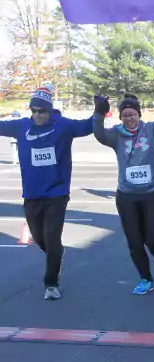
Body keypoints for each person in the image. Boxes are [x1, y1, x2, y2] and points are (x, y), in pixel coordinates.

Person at [0, 84, 94, 300]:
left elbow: (86, 126)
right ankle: (56, 253)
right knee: (40, 238)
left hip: (57, 193)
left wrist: (99, 112)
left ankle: (51, 283)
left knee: (52, 237)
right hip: (32, 194)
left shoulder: (63, 125)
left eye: (41, 111)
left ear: (50, 111)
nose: (37, 115)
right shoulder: (21, 126)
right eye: (33, 111)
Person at [93, 94, 154, 295]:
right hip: (127, 195)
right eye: (125, 115)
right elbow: (99, 134)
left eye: (133, 114)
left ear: (139, 114)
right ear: (121, 117)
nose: (130, 118)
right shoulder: (116, 134)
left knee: (153, 238)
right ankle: (146, 279)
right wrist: (98, 113)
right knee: (134, 242)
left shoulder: (151, 129)